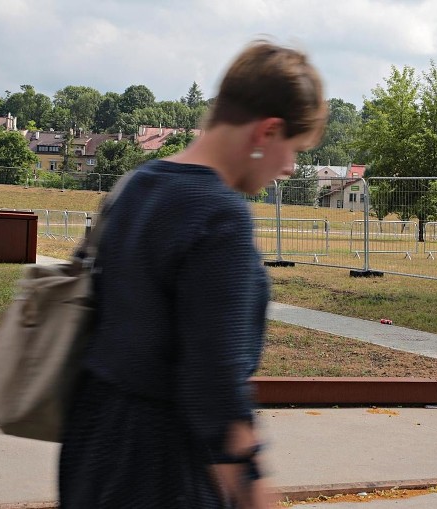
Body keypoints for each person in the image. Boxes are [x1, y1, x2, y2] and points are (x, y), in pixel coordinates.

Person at [58, 39, 327, 508]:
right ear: (266, 132)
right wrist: (254, 489)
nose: (290, 166)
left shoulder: (138, 183)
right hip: (162, 470)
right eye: (294, 149)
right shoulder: (220, 216)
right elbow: (215, 387)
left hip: (90, 446)